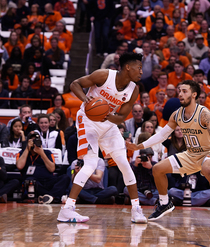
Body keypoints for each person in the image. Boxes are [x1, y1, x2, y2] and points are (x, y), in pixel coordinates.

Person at [57, 53, 147, 223]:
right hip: (87, 121)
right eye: (139, 68)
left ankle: (136, 210)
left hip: (108, 124)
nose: (141, 72)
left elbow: (121, 117)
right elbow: (74, 84)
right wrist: (86, 99)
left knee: (124, 163)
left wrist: (109, 117)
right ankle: (67, 209)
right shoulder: (104, 75)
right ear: (128, 67)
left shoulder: (133, 90)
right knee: (91, 163)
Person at [127, 80, 210, 225]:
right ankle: (164, 203)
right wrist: (138, 146)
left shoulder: (203, 113)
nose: (180, 94)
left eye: (184, 91)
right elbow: (161, 135)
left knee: (207, 169)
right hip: (191, 154)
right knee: (157, 169)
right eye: (179, 91)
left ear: (194, 95)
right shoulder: (177, 115)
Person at [16, 132, 70, 204]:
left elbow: (52, 169)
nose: (34, 143)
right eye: (32, 141)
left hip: (48, 181)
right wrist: (27, 149)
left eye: (36, 141)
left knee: (65, 177)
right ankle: (53, 197)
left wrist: (41, 153)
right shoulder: (22, 153)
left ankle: (49, 197)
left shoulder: (47, 152)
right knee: (30, 180)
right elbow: (19, 166)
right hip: (34, 183)